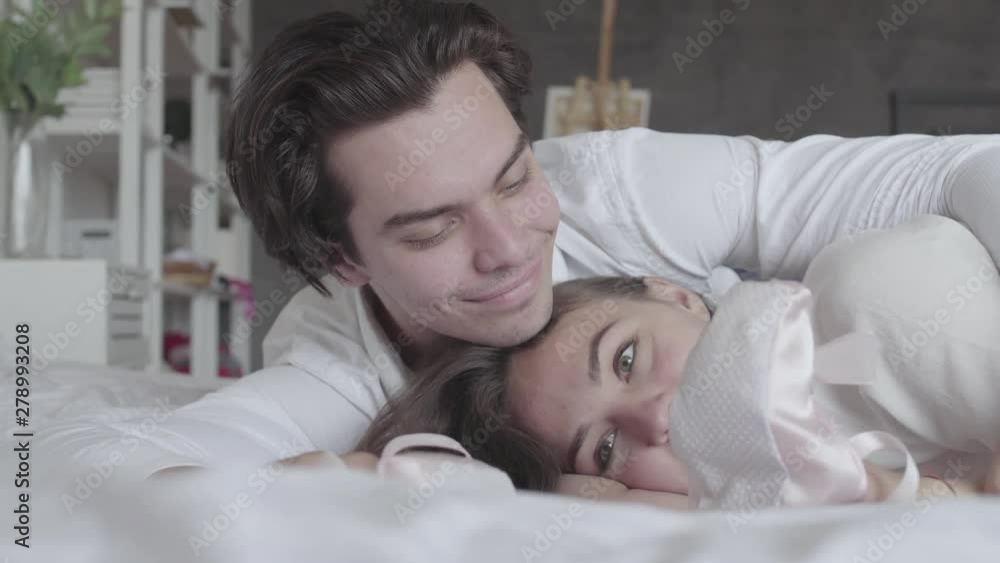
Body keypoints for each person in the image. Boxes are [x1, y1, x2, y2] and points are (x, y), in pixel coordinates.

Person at [33, 0, 1000, 495]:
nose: (509, 247)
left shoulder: (609, 186)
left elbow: (955, 167)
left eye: (510, 177)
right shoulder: (334, 374)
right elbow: (72, 476)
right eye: (432, 227)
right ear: (343, 260)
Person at [358, 216, 1000, 505]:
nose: (657, 419)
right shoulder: (752, 512)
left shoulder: (877, 305)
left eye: (626, 358)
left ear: (677, 296)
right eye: (606, 448)